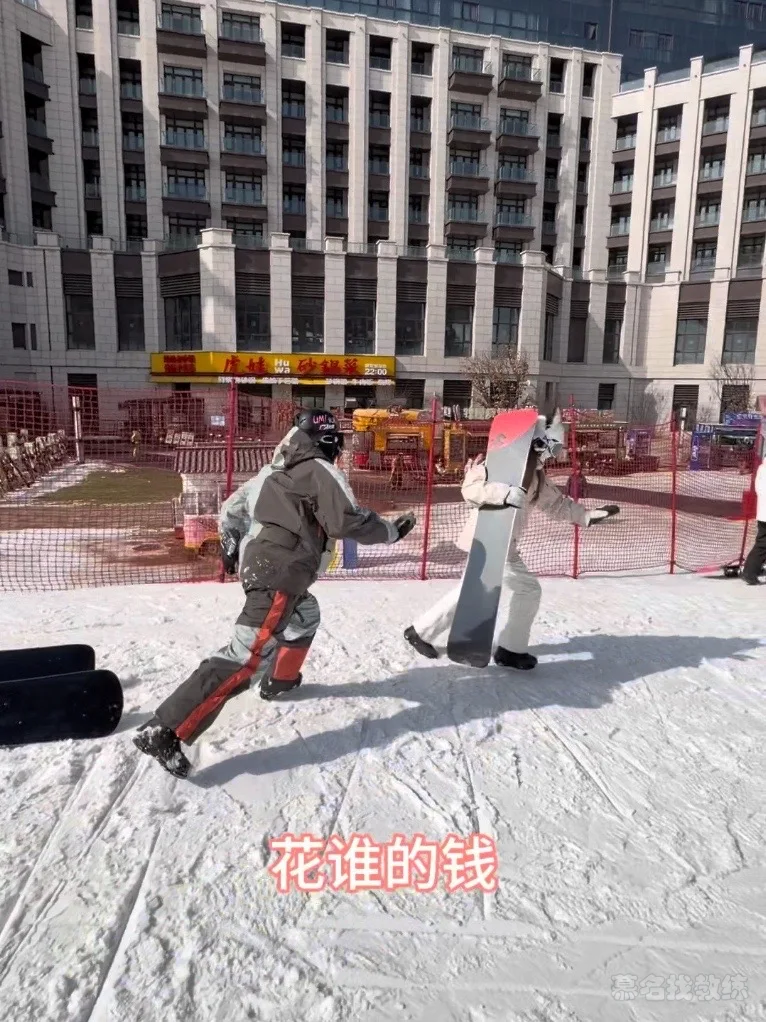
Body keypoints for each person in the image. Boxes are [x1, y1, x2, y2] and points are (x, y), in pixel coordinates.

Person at [135, 409, 416, 777]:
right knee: (246, 654)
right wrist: (391, 532)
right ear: (328, 441)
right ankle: (164, 728)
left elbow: (231, 509)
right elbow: (344, 520)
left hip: (267, 568)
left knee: (305, 617)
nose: (339, 452)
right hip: (280, 572)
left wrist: (230, 544)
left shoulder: (271, 471)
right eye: (338, 444)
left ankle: (279, 681)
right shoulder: (319, 469)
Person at [404, 411, 620, 671]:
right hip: (488, 538)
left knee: (478, 590)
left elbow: (557, 505)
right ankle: (508, 648)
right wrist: (505, 493)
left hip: (506, 542)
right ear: (537, 442)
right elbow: (470, 490)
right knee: (522, 590)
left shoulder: (536, 475)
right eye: (551, 447)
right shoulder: (497, 465)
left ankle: (425, 632)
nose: (552, 455)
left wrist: (586, 516)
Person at [741, 450, 766, 585]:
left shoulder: (762, 469)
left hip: (763, 513)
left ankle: (751, 570)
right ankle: (750, 572)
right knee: (763, 544)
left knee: (762, 543)